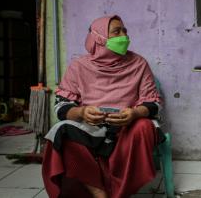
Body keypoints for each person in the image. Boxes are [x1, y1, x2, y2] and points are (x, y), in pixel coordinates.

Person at [42, 15, 162, 198]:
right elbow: (61, 107)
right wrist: (82, 112)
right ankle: (99, 193)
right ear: (99, 38)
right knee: (61, 131)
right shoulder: (78, 66)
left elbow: (154, 102)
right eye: (116, 32)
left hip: (126, 127)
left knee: (144, 126)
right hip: (90, 127)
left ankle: (120, 192)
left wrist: (135, 113)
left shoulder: (139, 63)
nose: (124, 36)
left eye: (125, 31)